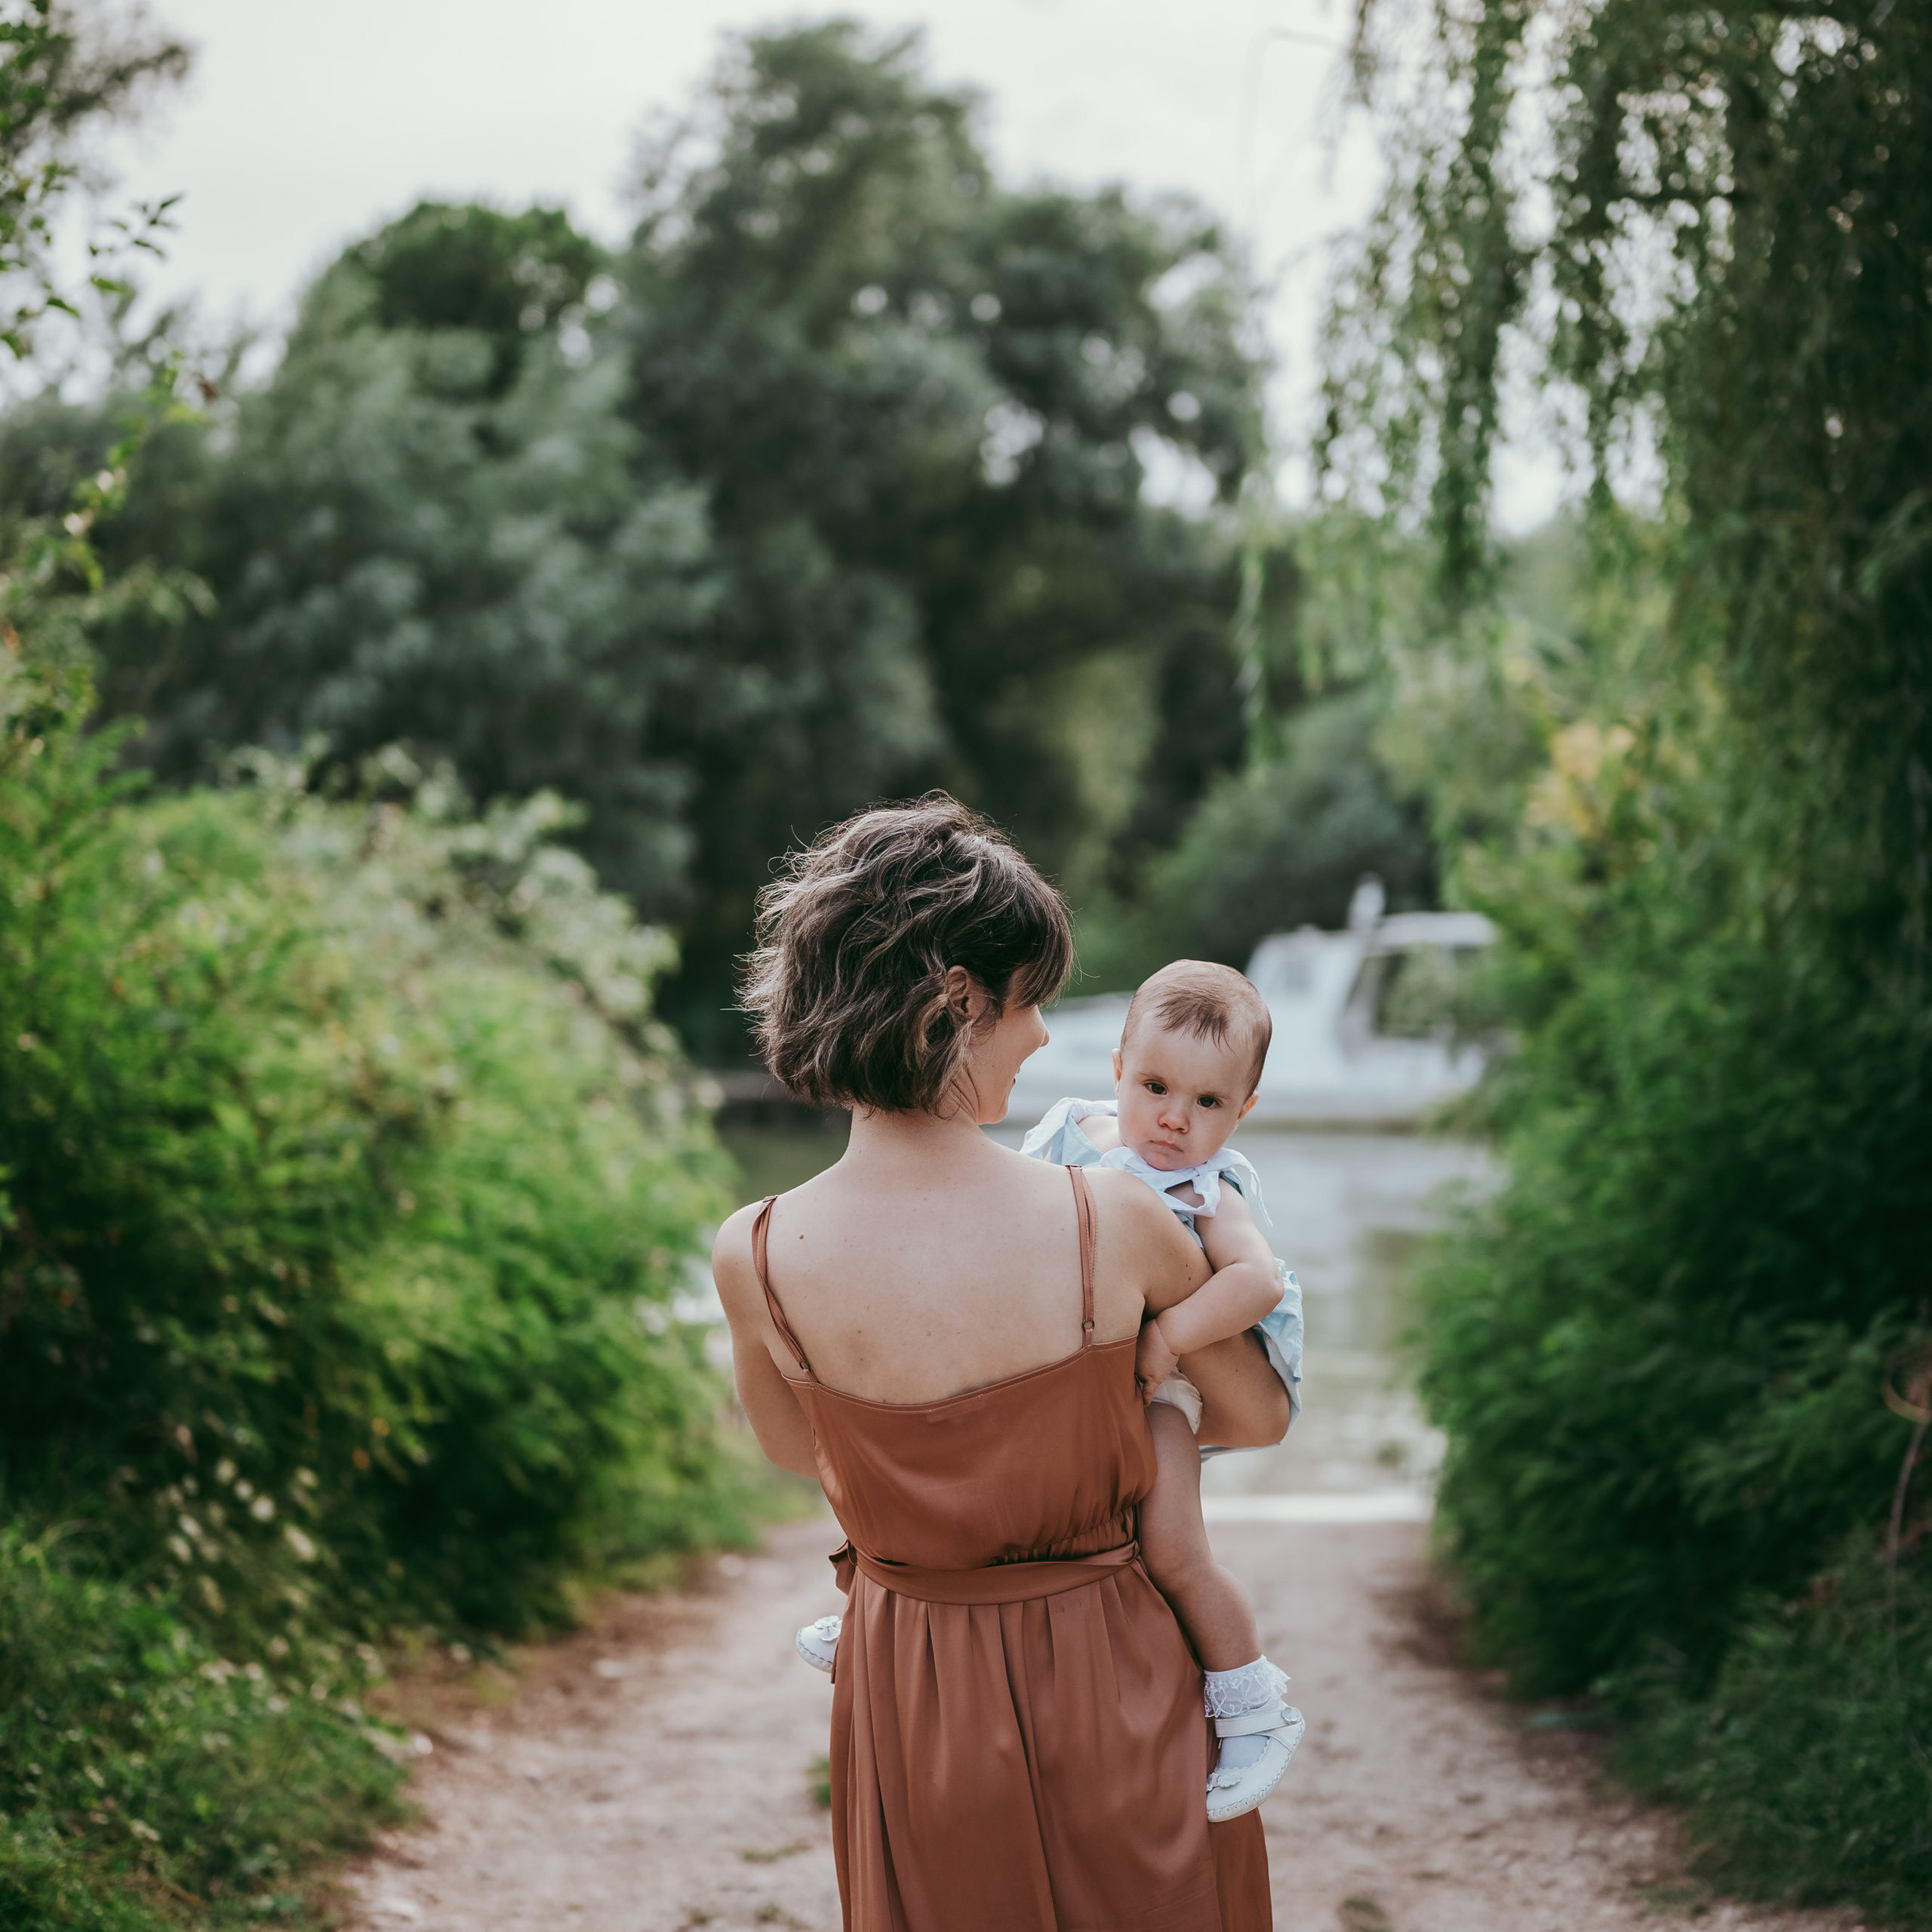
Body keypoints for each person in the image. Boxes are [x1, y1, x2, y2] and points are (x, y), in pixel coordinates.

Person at [711, 795, 1289, 1932]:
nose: (1040, 1040)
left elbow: (796, 1449)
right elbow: (1255, 1414)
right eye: (1030, 1006)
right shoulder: (1110, 1221)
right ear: (956, 1004)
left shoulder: (757, 1252)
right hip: (1112, 1683)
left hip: (910, 1695)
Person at [796, 958, 1309, 1822]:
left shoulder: (1208, 1190)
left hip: (1161, 1386)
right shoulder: (1069, 1132)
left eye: (1209, 1103)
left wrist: (1171, 1336)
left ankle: (1252, 1703)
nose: (1175, 1118)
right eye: (1155, 1086)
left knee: (1174, 1544)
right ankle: (871, 1605)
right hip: (1062, 1364)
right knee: (950, 1461)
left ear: (1242, 1112)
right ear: (1115, 1068)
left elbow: (1254, 1284)